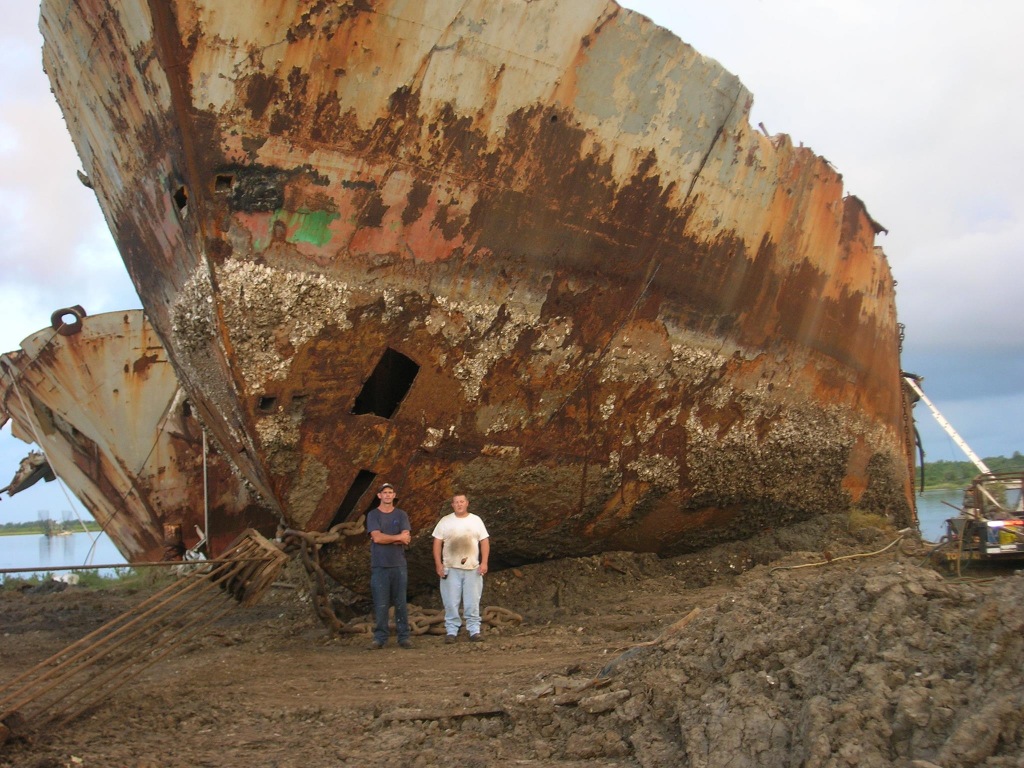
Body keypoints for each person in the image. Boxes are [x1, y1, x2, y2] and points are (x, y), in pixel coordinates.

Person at [432, 493, 490, 643]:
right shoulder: (445, 521)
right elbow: (437, 543)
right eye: (456, 502)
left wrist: (484, 562)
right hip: (451, 568)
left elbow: (484, 541)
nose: (459, 504)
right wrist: (439, 564)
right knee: (450, 601)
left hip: (472, 568)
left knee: (472, 601)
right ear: (452, 505)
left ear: (467, 503)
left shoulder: (476, 520)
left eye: (462, 502)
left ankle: (474, 630)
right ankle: (451, 630)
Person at [366, 482, 412, 649]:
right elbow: (377, 538)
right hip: (380, 565)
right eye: (384, 492)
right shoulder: (373, 515)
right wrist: (396, 538)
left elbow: (406, 538)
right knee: (381, 603)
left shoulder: (401, 515)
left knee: (401, 602)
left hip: (399, 565)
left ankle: (404, 637)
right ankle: (380, 638)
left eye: (390, 492)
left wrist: (393, 538)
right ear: (379, 496)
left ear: (394, 495)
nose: (387, 495)